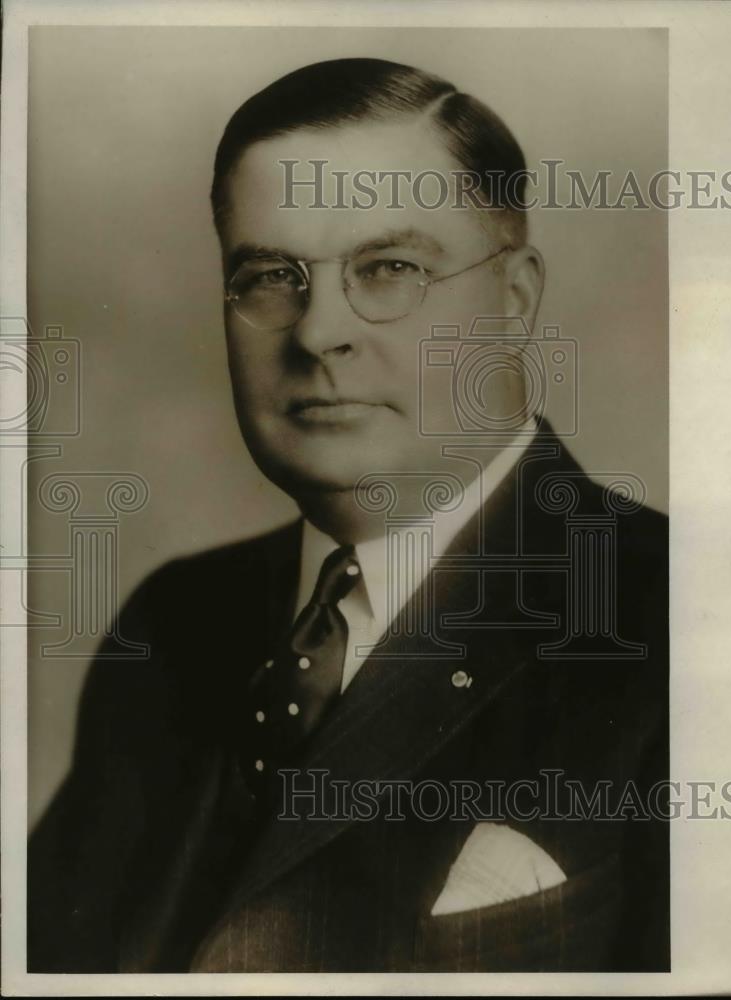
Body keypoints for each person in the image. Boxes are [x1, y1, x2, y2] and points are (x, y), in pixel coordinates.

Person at [28, 58, 669, 973]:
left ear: (516, 299)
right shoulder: (171, 624)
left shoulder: (688, 623)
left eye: (391, 268)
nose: (316, 330)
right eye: (268, 277)